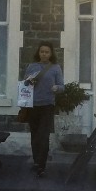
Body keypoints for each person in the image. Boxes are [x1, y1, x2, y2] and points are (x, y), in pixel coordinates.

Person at [22, 41, 64, 177]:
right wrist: (28, 81)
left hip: (47, 106)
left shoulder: (56, 68)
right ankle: (36, 162)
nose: (44, 54)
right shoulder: (31, 66)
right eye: (42, 51)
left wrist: (57, 88)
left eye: (47, 52)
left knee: (43, 136)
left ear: (51, 54)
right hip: (33, 106)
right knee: (34, 136)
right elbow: (24, 85)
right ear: (38, 53)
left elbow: (62, 86)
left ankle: (42, 165)